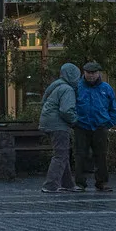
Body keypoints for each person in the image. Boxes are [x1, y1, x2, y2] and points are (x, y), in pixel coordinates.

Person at [73, 61, 116, 192]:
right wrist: (74, 122)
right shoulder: (77, 87)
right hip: (81, 126)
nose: (91, 75)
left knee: (101, 155)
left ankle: (102, 182)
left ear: (99, 73)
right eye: (88, 73)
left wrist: (110, 122)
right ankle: (80, 183)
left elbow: (113, 107)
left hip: (100, 126)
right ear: (84, 73)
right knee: (80, 155)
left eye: (94, 73)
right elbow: (71, 105)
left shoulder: (106, 88)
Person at [38, 63, 81, 193]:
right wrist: (75, 121)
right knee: (60, 155)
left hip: (48, 122)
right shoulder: (67, 89)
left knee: (63, 153)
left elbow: (44, 103)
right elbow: (66, 110)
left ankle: (67, 184)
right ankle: (50, 185)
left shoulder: (56, 86)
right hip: (59, 125)